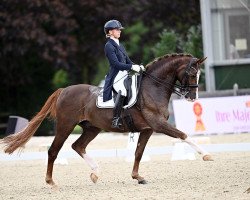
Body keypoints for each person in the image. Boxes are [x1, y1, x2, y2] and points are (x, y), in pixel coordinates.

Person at [103, 19, 145, 129]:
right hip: (116, 75)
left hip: (124, 74)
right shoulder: (109, 46)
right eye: (117, 29)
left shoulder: (120, 45)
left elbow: (127, 61)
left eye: (119, 29)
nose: (119, 31)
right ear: (110, 32)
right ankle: (115, 119)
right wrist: (131, 67)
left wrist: (137, 67)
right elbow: (115, 64)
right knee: (122, 90)